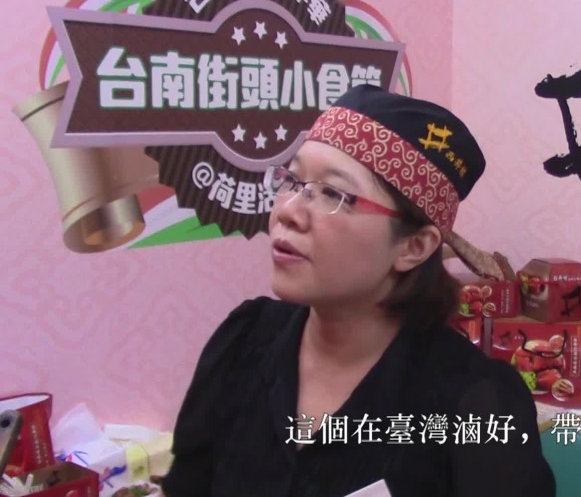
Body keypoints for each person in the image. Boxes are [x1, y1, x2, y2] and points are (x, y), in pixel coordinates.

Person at [160, 85, 556, 497]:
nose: (288, 212)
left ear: (414, 246)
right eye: (292, 180)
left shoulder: (477, 403)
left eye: (334, 194)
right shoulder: (244, 339)